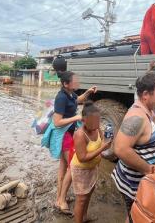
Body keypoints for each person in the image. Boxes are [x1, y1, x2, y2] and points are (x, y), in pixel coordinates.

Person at [111, 73, 155, 222]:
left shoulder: (151, 109)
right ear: (146, 94)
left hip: (144, 181)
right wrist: (148, 170)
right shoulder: (137, 116)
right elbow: (120, 149)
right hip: (134, 183)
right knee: (138, 217)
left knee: (134, 215)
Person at [52, 71, 97, 215]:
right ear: (66, 84)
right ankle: (61, 200)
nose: (78, 82)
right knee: (73, 167)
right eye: (75, 81)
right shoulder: (61, 98)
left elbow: (78, 99)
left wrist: (88, 92)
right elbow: (57, 122)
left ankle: (59, 198)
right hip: (64, 135)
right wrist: (77, 117)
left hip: (70, 133)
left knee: (64, 167)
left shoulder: (70, 94)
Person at [71, 101, 112, 223]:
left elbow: (101, 140)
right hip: (81, 170)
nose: (97, 124)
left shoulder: (96, 128)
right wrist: (102, 149)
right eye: (93, 121)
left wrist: (106, 140)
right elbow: (82, 157)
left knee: (88, 194)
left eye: (98, 121)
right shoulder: (80, 134)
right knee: (81, 199)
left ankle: (84, 217)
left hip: (93, 168)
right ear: (84, 120)